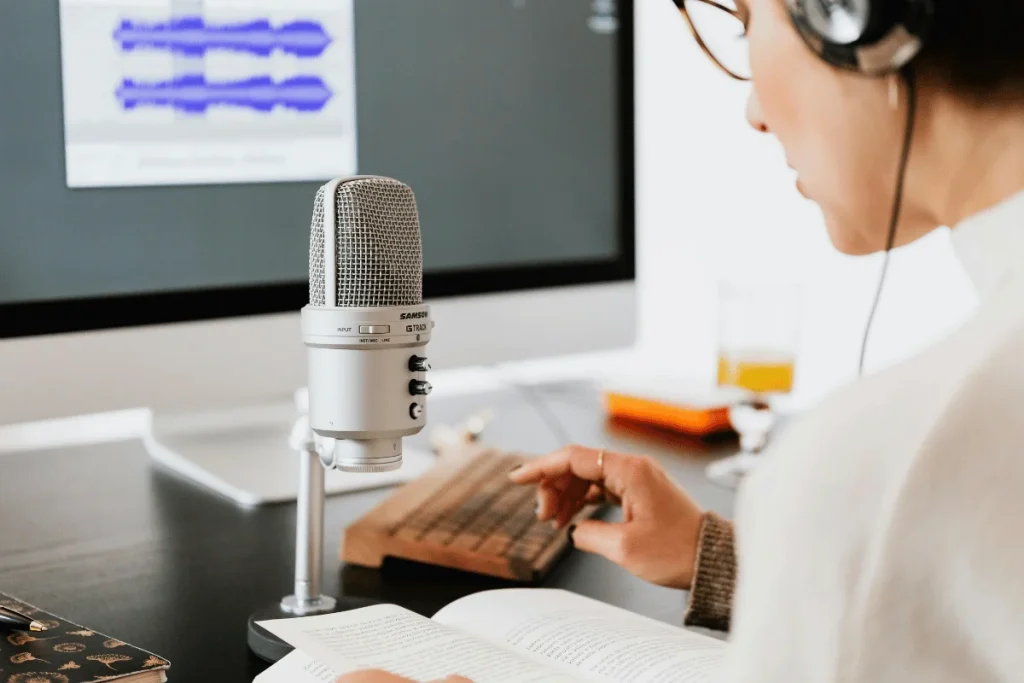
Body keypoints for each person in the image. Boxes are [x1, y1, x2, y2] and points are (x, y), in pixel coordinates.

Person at [339, 0, 1024, 680]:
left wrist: (832, 531)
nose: (755, 111)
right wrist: (733, 560)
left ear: (855, 18)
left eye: (749, 23)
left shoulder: (888, 469)